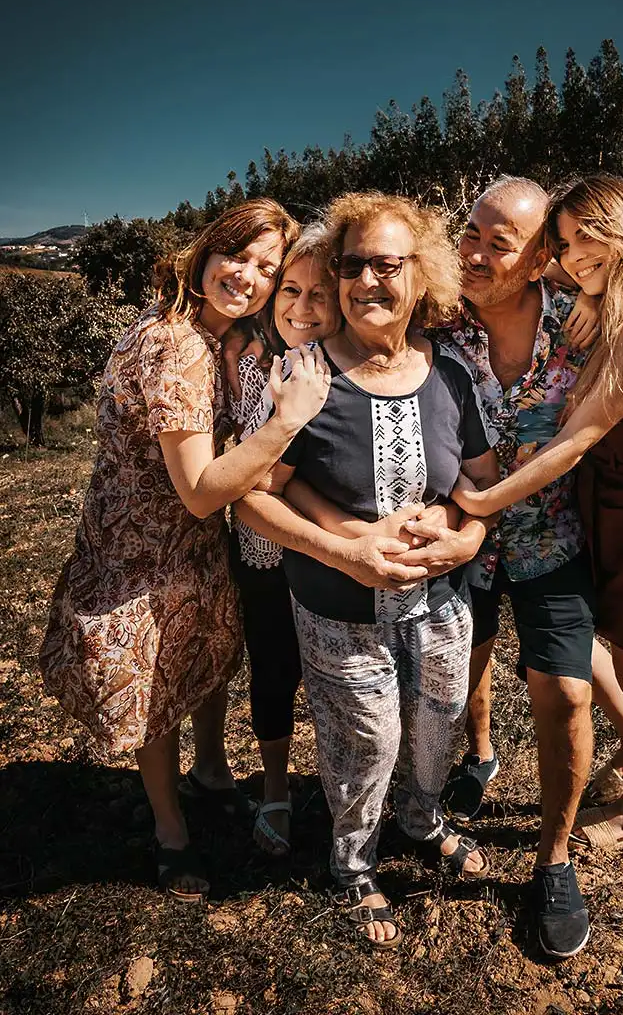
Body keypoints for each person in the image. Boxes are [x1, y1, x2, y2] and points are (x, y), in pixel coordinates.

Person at [425, 174, 623, 959]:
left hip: (555, 535)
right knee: (471, 665)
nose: (476, 253)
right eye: (471, 234)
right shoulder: (436, 320)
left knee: (562, 693)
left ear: (535, 260)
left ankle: (552, 861)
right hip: (464, 542)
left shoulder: (580, 318)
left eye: (500, 243)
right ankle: (480, 758)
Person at [40, 200, 332, 903]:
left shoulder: (207, 334)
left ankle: (210, 773)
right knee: (155, 689)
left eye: (268, 269)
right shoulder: (176, 346)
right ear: (206, 252)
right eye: (240, 257)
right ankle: (171, 835)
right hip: (145, 547)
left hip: (183, 544)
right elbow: (202, 489)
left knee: (201, 656)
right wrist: (289, 419)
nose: (250, 277)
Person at [235, 192, 500, 951]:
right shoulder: (307, 376)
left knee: (434, 725)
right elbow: (252, 501)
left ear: (423, 277)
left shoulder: (450, 375)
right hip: (336, 613)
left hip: (441, 606)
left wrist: (466, 536)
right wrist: (342, 551)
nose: (367, 281)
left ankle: (421, 819)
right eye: (353, 265)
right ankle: (352, 862)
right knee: (365, 742)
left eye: (388, 264)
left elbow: (479, 486)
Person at [227, 222, 342, 857]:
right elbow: (255, 482)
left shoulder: (362, 366)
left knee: (341, 679)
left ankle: (345, 780)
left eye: (318, 293)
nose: (301, 308)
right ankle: (275, 786)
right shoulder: (257, 370)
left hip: (335, 561)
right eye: (289, 290)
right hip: (269, 555)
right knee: (274, 669)